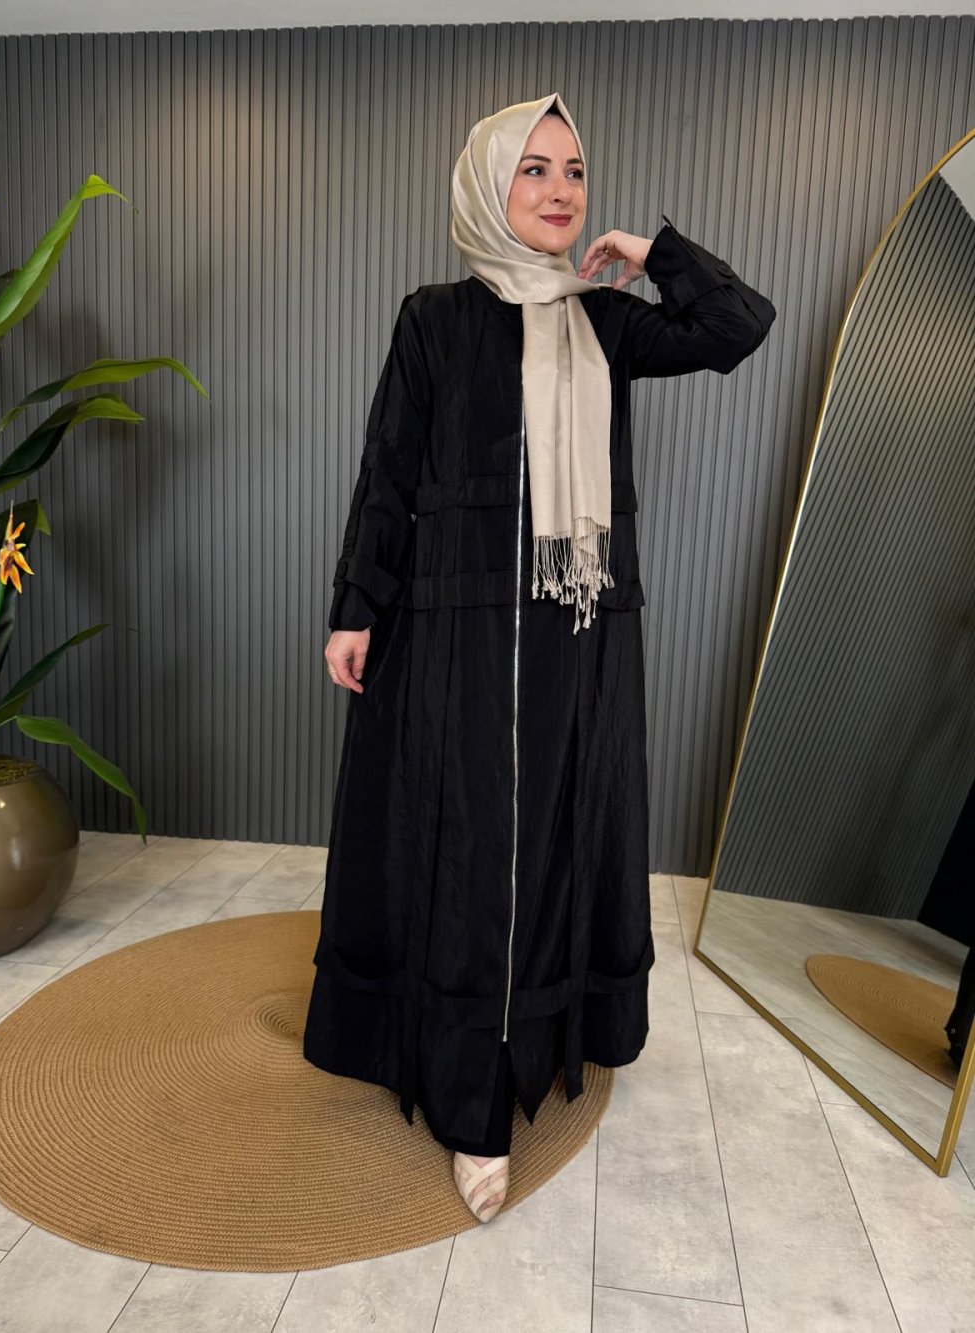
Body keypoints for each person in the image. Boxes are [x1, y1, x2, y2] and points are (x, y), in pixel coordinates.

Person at [303, 91, 776, 1223]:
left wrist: (652, 254)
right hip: (455, 635)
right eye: (534, 169)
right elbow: (389, 471)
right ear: (487, 185)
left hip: (577, 636)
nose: (561, 190)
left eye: (574, 170)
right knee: (469, 851)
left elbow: (737, 327)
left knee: (558, 838)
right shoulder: (433, 320)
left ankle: (554, 1024)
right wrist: (357, 605)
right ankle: (471, 1102)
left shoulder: (606, 319)